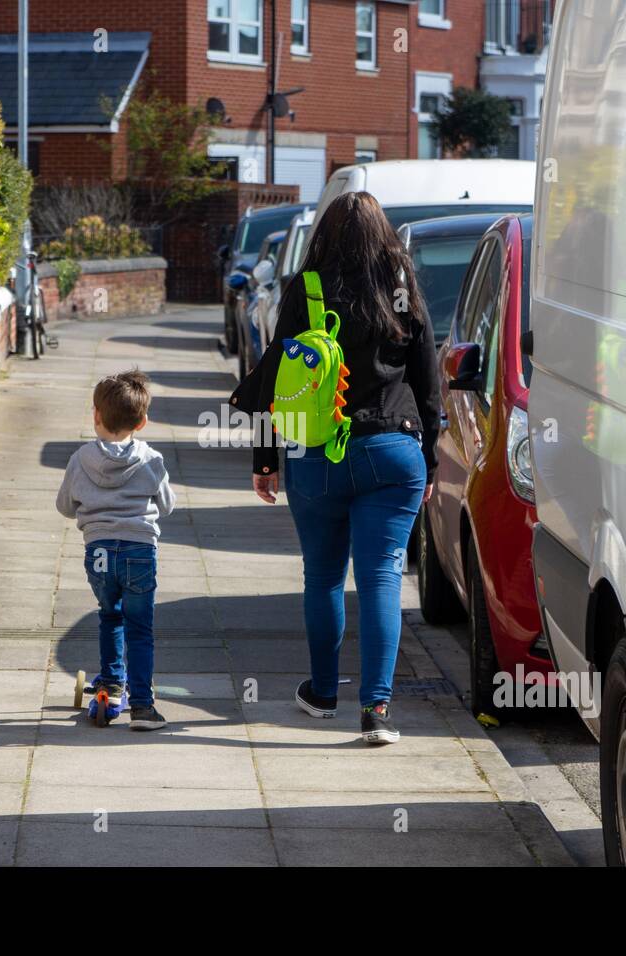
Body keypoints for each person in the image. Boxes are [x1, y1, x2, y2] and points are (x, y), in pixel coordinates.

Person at [230, 191, 440, 745]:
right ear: (384, 235)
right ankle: (376, 711)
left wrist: (264, 460)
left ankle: (323, 693)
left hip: (318, 455)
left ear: (324, 234)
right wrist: (432, 457)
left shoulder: (308, 288)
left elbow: (277, 376)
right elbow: (429, 380)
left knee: (323, 576)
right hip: (395, 453)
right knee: (381, 580)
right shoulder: (400, 287)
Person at [56, 369, 175, 730]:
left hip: (100, 552)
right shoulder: (152, 459)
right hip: (139, 550)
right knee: (140, 627)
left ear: (95, 415)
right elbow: (167, 505)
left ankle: (110, 683)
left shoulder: (80, 459)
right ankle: (142, 707)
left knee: (109, 615)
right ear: (142, 422)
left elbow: (65, 505)